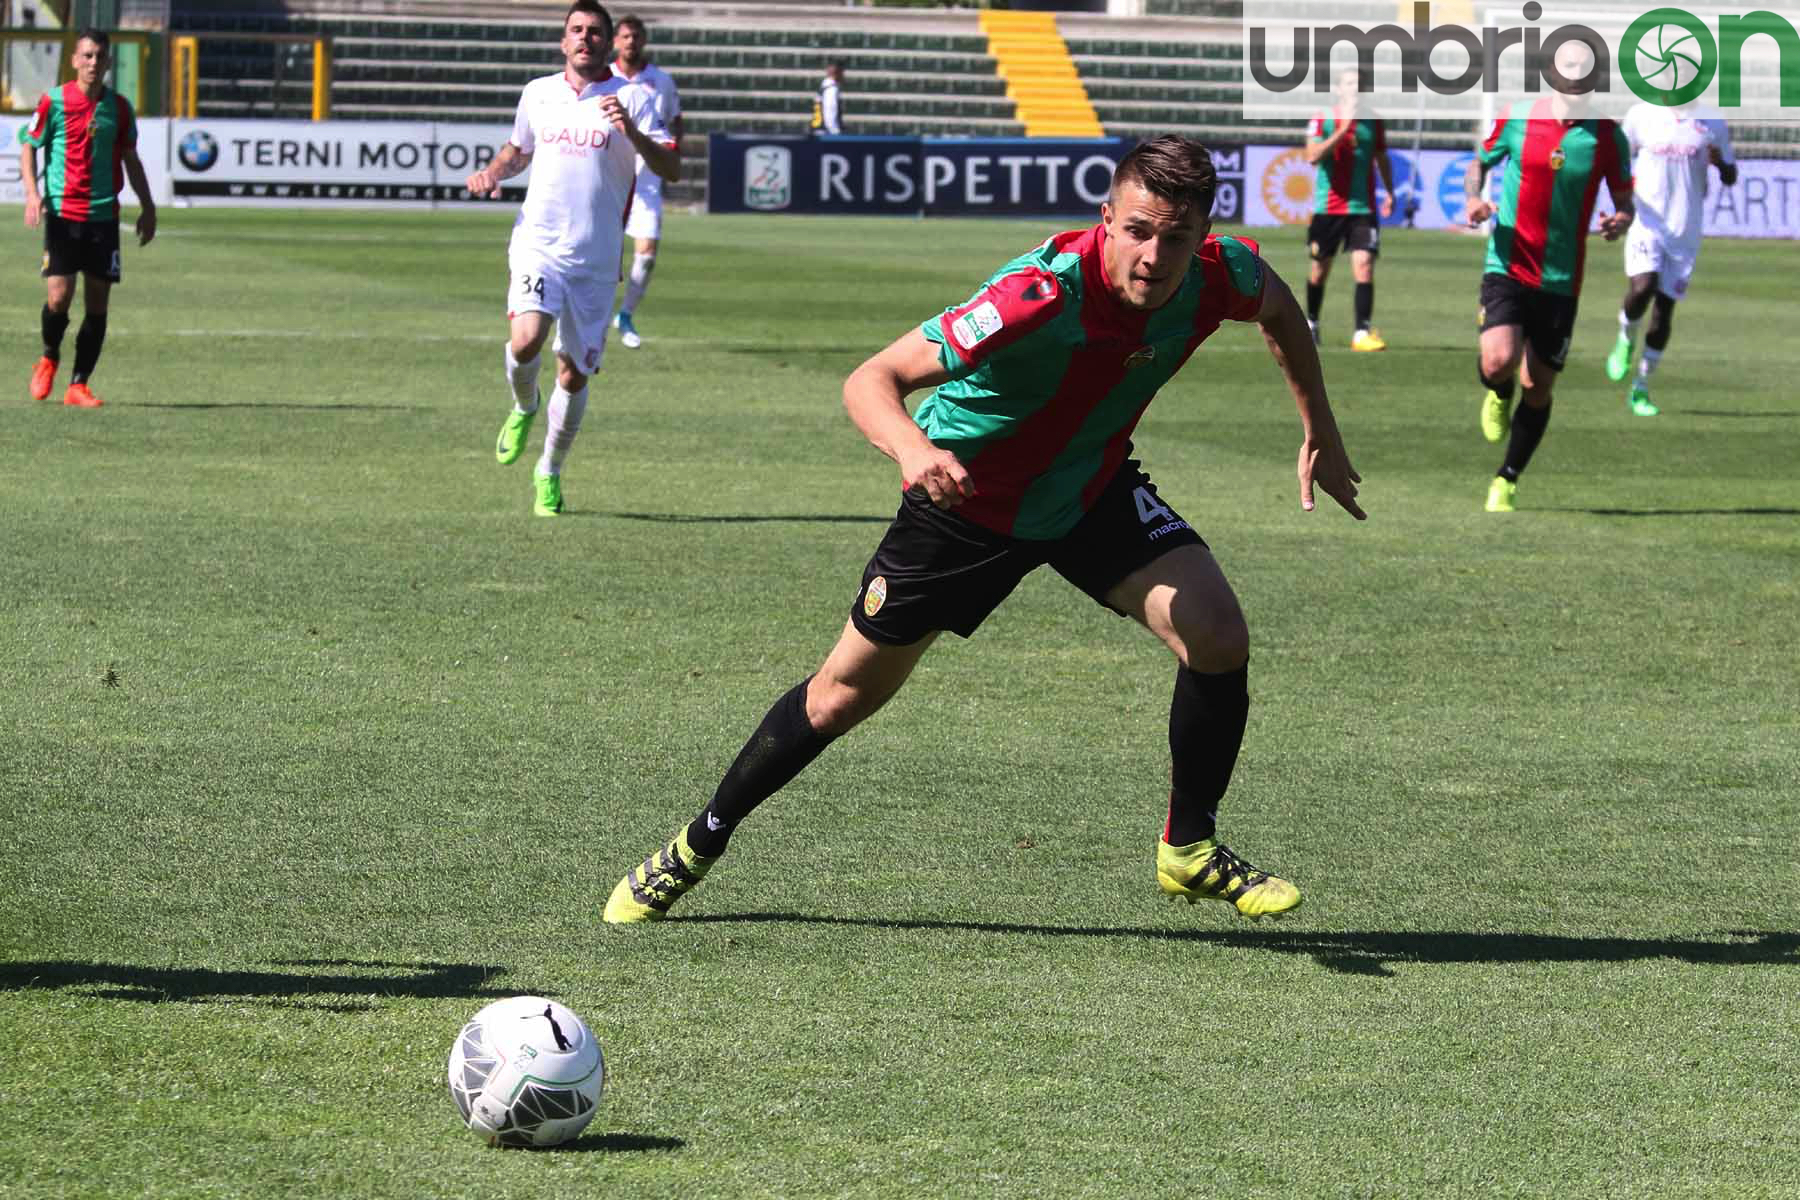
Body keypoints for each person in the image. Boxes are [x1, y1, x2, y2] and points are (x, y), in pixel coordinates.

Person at [602, 135, 1365, 927]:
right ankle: (697, 843)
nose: (1154, 256)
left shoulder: (1221, 272)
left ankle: (1189, 848)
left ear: (1202, 235)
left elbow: (1280, 309)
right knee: (840, 698)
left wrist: (1322, 430)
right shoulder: (1035, 297)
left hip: (1088, 492)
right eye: (1137, 230)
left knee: (1217, 634)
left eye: (1176, 237)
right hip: (964, 505)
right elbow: (872, 379)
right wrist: (913, 449)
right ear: (1106, 219)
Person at [465, 0, 678, 517]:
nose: (585, 38)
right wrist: (493, 173)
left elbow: (669, 167)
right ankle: (523, 405)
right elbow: (517, 150)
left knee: (574, 375)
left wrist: (633, 130)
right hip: (538, 243)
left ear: (608, 42)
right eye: (576, 30)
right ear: (564, 42)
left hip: (596, 260)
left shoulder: (634, 97)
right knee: (527, 338)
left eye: (595, 31)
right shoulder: (538, 93)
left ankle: (550, 470)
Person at [1463, 40, 1632, 513]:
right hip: (1508, 263)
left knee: (1538, 387)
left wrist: (1620, 220)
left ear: (1594, 75)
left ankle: (1507, 478)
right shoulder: (1519, 117)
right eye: (1568, 64)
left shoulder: (1606, 137)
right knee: (1499, 361)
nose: (1575, 73)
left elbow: (1624, 199)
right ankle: (1496, 391)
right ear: (1552, 71)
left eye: (1584, 66)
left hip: (1561, 279)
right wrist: (1473, 199)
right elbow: (1479, 163)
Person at [20, 29, 156, 409]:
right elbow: (29, 146)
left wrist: (148, 206)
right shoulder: (55, 102)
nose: (94, 63)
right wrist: (33, 194)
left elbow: (131, 159)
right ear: (75, 60)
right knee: (59, 297)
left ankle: (78, 384)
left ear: (109, 62)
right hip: (63, 214)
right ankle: (49, 355)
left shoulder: (120, 108)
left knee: (98, 304)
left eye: (100, 57)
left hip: (102, 218)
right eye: (87, 55)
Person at [1602, 100, 1736, 417]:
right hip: (1647, 221)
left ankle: (1642, 388)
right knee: (1642, 287)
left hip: (1685, 230)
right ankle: (1625, 336)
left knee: (1664, 311)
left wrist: (1720, 164)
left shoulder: (1712, 122)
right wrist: (1620, 202)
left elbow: (1731, 175)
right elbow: (1618, 159)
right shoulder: (1640, 115)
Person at [1302, 69, 1394, 352]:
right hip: (1328, 208)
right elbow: (1312, 156)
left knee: (1364, 266)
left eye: (1359, 83)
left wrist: (1390, 191)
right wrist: (1342, 130)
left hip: (1362, 208)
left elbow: (1380, 157)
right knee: (1319, 271)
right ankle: (1312, 323)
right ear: (1339, 89)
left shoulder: (1374, 121)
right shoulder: (1323, 118)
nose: (1355, 88)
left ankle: (1361, 333)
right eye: (1350, 83)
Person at [609, 14, 683, 350]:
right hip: (611, 177)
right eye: (625, 36)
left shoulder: (661, 81)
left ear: (644, 41)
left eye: (636, 36)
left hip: (648, 179)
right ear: (615, 42)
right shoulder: (603, 77)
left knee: (648, 253)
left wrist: (672, 156)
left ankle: (625, 314)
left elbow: (674, 123)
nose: (630, 42)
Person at [810, 61, 845, 136]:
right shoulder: (831, 90)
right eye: (842, 73)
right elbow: (830, 111)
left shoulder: (824, 87)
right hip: (826, 132)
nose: (843, 76)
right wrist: (836, 132)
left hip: (818, 129)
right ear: (837, 73)